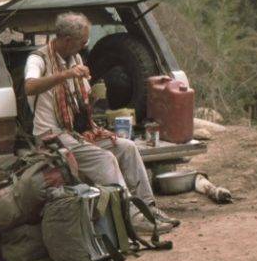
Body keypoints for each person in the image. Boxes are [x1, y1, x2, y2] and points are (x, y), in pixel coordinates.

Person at [24, 12, 180, 233]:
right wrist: (66, 75)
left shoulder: (74, 58)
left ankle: (148, 207)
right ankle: (132, 217)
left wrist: (92, 96)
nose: (84, 46)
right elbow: (30, 86)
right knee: (105, 159)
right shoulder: (38, 59)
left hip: (76, 132)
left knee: (127, 147)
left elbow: (77, 98)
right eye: (81, 41)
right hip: (53, 136)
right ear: (67, 40)